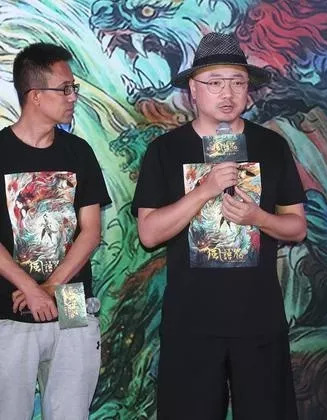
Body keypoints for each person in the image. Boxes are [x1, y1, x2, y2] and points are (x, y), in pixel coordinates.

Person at [131, 32, 306, 419]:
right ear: (193, 90)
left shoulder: (272, 146)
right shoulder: (165, 150)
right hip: (191, 323)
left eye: (237, 83)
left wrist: (258, 218)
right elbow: (149, 234)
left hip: (259, 321)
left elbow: (297, 227)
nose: (227, 93)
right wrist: (204, 190)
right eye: (214, 83)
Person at [0, 43, 111, 419]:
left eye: (73, 88)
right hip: (8, 309)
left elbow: (91, 232)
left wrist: (50, 287)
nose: (72, 96)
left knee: (71, 412)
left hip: (73, 303)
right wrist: (30, 288)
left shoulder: (79, 152)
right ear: (35, 96)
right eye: (64, 89)